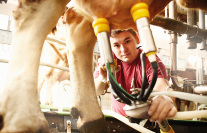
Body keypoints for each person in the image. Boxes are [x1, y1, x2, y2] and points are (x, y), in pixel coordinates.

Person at [94, 29, 177, 123]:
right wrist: (103, 77)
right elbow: (95, 91)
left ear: (137, 39)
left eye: (127, 41)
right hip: (119, 120)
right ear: (111, 47)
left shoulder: (150, 60)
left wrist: (165, 99)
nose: (123, 49)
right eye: (116, 45)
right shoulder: (109, 61)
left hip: (145, 122)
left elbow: (162, 89)